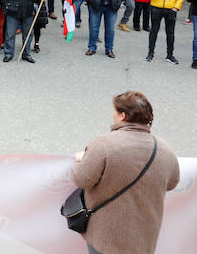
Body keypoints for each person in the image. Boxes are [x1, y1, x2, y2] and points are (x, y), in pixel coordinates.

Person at [71, 91, 180, 254]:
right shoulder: (164, 148)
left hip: (106, 238)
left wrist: (80, 160)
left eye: (115, 112)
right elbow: (172, 183)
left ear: (122, 116)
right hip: (144, 239)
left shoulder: (104, 144)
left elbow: (81, 179)